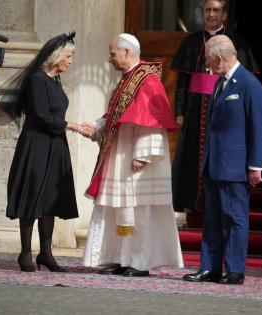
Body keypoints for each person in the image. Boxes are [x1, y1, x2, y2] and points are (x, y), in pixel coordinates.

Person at [81, 33, 184, 277]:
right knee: (119, 209)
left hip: (137, 161)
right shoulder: (126, 80)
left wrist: (143, 154)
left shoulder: (147, 80)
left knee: (139, 211)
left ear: (127, 52)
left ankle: (139, 262)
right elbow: (115, 117)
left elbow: (152, 121)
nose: (109, 60)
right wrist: (96, 127)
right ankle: (120, 258)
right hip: (121, 156)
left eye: (112, 54)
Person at [183, 35, 262, 284]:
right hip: (214, 164)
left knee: (234, 218)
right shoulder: (220, 83)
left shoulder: (249, 84)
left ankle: (234, 270)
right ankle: (209, 268)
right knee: (212, 220)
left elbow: (259, 128)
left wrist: (255, 166)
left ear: (219, 57)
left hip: (235, 167)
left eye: (210, 61)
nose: (209, 66)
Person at [6, 32, 90, 272]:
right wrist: (73, 125)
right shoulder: (37, 79)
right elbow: (42, 116)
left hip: (56, 146)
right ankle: (25, 253)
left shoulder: (55, 80)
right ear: (56, 56)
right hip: (36, 145)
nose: (71, 61)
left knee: (50, 199)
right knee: (32, 196)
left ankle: (46, 253)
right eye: (69, 56)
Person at [171, 0, 259, 213]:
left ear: (224, 15)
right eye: (208, 10)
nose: (211, 14)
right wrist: (180, 111)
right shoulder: (192, 41)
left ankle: (214, 203)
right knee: (192, 155)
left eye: (216, 10)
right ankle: (189, 200)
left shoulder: (237, 43)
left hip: (224, 108)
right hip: (195, 107)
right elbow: (182, 82)